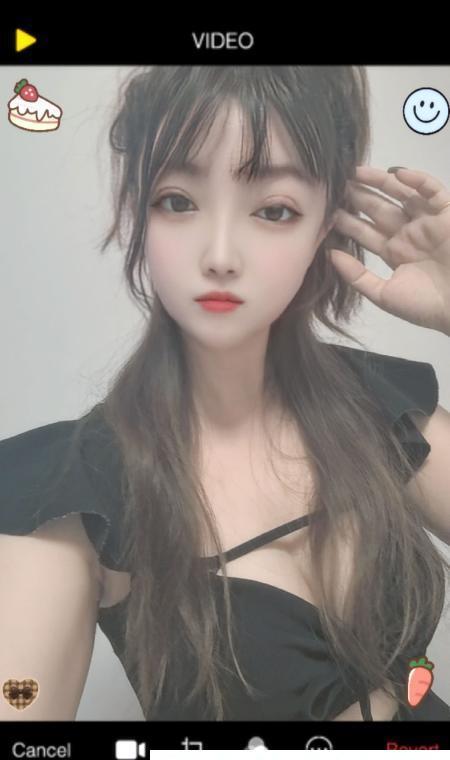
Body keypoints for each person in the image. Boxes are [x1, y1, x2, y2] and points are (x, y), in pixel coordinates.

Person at [1, 66, 450, 722]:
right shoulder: (70, 493)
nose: (219, 254)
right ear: (135, 210)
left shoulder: (378, 404)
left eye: (274, 210)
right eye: (177, 201)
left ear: (324, 226)